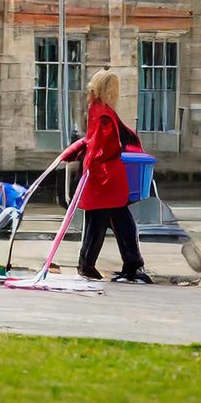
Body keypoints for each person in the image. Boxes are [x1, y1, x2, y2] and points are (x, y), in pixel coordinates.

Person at [74, 69, 151, 284]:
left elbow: (92, 143)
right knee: (120, 221)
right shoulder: (104, 114)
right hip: (106, 177)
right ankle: (130, 265)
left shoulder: (97, 110)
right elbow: (104, 147)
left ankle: (88, 264)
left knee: (99, 221)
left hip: (100, 177)